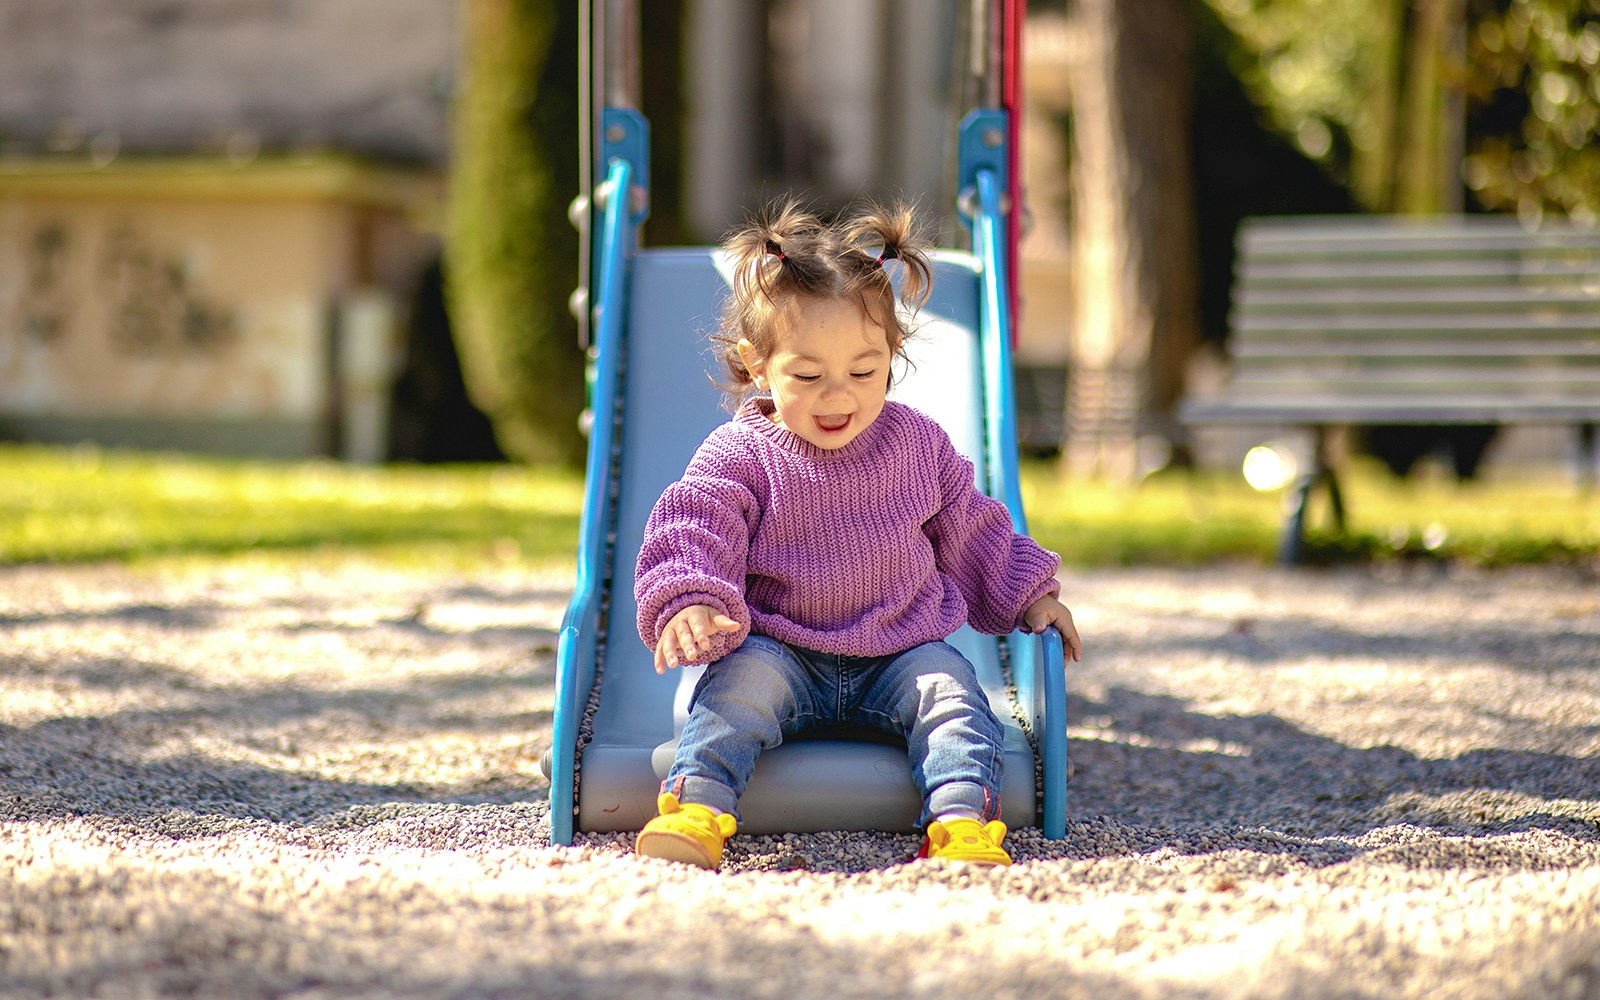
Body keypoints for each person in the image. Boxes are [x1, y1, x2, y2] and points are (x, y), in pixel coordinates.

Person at [632, 200, 1083, 870]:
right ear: (760, 367)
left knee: (954, 698)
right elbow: (696, 525)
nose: (837, 395)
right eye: (808, 376)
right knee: (737, 693)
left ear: (892, 354)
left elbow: (972, 527)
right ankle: (697, 808)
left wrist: (1029, 595)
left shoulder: (917, 446)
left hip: (900, 649)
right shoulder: (741, 454)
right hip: (781, 647)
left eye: (864, 372)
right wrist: (688, 598)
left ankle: (959, 821)